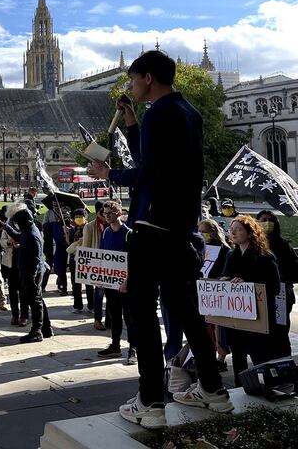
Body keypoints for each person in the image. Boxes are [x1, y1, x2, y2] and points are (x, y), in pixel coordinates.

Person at [89, 50, 231, 428]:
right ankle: (214, 390)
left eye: (134, 80)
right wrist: (133, 127)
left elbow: (147, 173)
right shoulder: (187, 113)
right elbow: (158, 163)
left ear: (148, 77)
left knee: (143, 315)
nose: (131, 86)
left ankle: (151, 401)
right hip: (180, 230)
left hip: (151, 230)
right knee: (186, 312)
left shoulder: (159, 114)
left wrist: (109, 174)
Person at [223, 216, 281, 387]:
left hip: (258, 317)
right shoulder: (231, 255)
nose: (233, 232)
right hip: (236, 317)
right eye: (231, 229)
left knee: (259, 355)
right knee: (238, 355)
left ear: (250, 233)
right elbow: (227, 277)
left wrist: (248, 285)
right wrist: (225, 281)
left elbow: (274, 288)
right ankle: (241, 388)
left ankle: (265, 388)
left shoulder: (265, 257)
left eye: (239, 229)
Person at [95, 201, 136, 365]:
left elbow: (134, 261)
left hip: (126, 284)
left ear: (119, 214)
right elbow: (101, 256)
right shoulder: (105, 233)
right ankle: (115, 345)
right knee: (114, 315)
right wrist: (98, 278)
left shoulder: (129, 234)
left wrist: (127, 280)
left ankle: (133, 348)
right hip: (111, 283)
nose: (106, 217)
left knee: (130, 317)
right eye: (104, 214)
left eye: (109, 214)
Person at [254, 210, 297, 359]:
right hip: (259, 296)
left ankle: (285, 364)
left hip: (282, 296)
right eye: (263, 219)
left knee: (280, 333)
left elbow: (295, 271)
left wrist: (279, 277)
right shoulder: (253, 246)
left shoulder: (284, 246)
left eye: (270, 220)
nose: (267, 223)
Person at [5, 207, 51, 342]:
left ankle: (36, 331)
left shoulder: (31, 235)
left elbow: (36, 259)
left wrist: (31, 279)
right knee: (38, 300)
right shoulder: (30, 229)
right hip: (31, 272)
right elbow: (19, 236)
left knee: (35, 302)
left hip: (31, 273)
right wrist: (6, 227)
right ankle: (46, 328)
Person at [197, 218, 232, 370]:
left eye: (204, 232)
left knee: (219, 326)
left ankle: (221, 357)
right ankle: (209, 354)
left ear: (213, 232)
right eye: (199, 231)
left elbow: (226, 270)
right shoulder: (199, 247)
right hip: (202, 290)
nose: (201, 234)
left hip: (217, 291)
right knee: (206, 326)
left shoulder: (224, 250)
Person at [1, 203, 29, 326]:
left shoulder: (27, 224)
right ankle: (14, 314)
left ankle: (24, 315)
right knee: (12, 290)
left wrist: (21, 243)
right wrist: (8, 242)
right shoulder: (8, 225)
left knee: (24, 290)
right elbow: (1, 240)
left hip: (23, 260)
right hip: (11, 260)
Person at [81, 201, 105, 329]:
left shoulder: (111, 225)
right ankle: (97, 319)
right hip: (98, 266)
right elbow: (86, 249)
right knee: (99, 293)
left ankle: (111, 319)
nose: (105, 215)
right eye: (102, 212)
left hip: (111, 266)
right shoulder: (90, 227)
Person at [67, 208, 92, 313]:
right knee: (75, 283)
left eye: (80, 217)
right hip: (74, 258)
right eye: (76, 217)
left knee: (89, 283)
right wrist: (67, 235)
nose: (78, 219)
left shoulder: (89, 227)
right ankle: (77, 306)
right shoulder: (72, 229)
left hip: (87, 258)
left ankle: (92, 306)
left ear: (85, 217)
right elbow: (68, 245)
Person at [42, 206, 70, 295]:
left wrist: (65, 221)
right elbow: (44, 226)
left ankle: (62, 286)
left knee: (61, 267)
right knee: (47, 266)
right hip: (51, 244)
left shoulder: (67, 212)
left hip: (61, 244)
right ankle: (42, 285)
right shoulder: (49, 213)